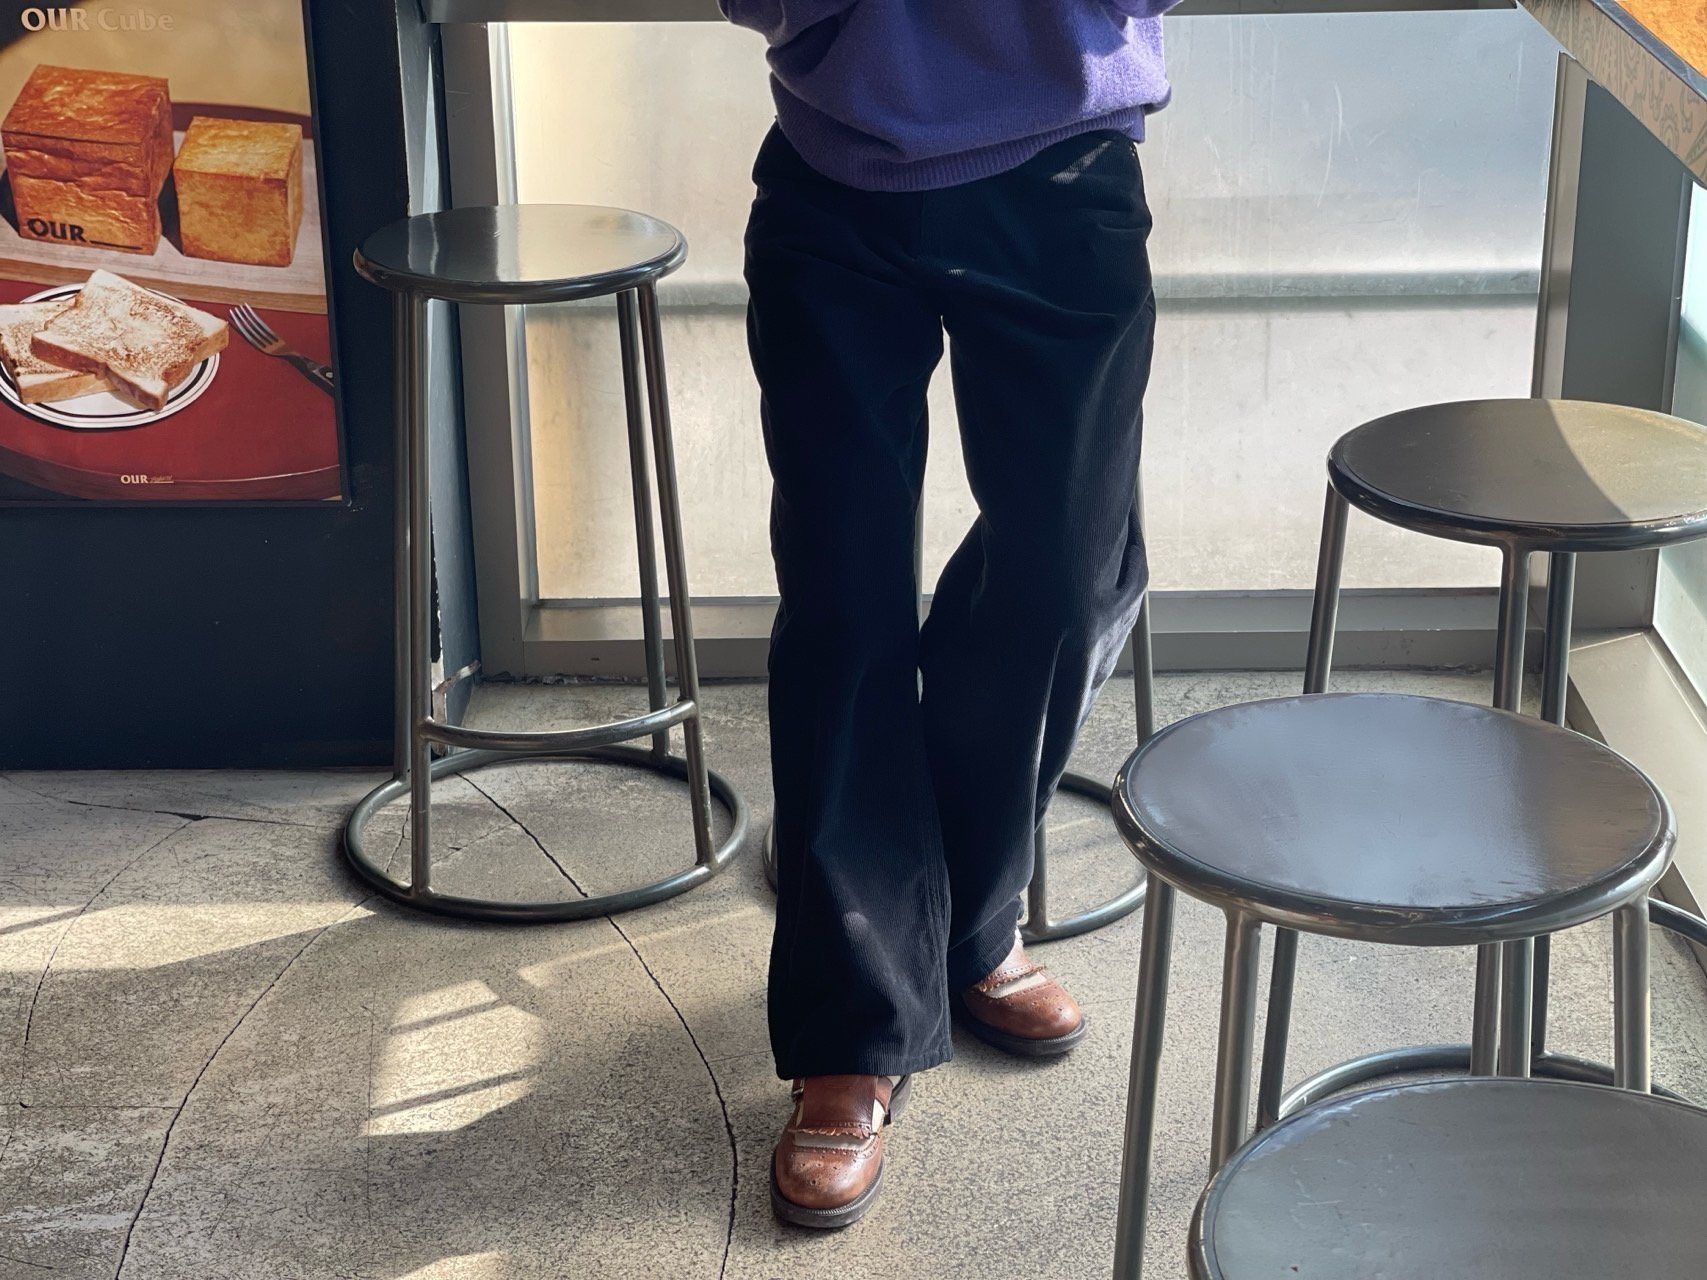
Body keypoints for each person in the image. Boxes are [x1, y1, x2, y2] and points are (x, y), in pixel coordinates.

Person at [718, 0, 1176, 1228]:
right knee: (842, 595)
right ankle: (853, 1023)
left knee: (1065, 569)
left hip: (1066, 162)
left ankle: (965, 919)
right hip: (835, 171)